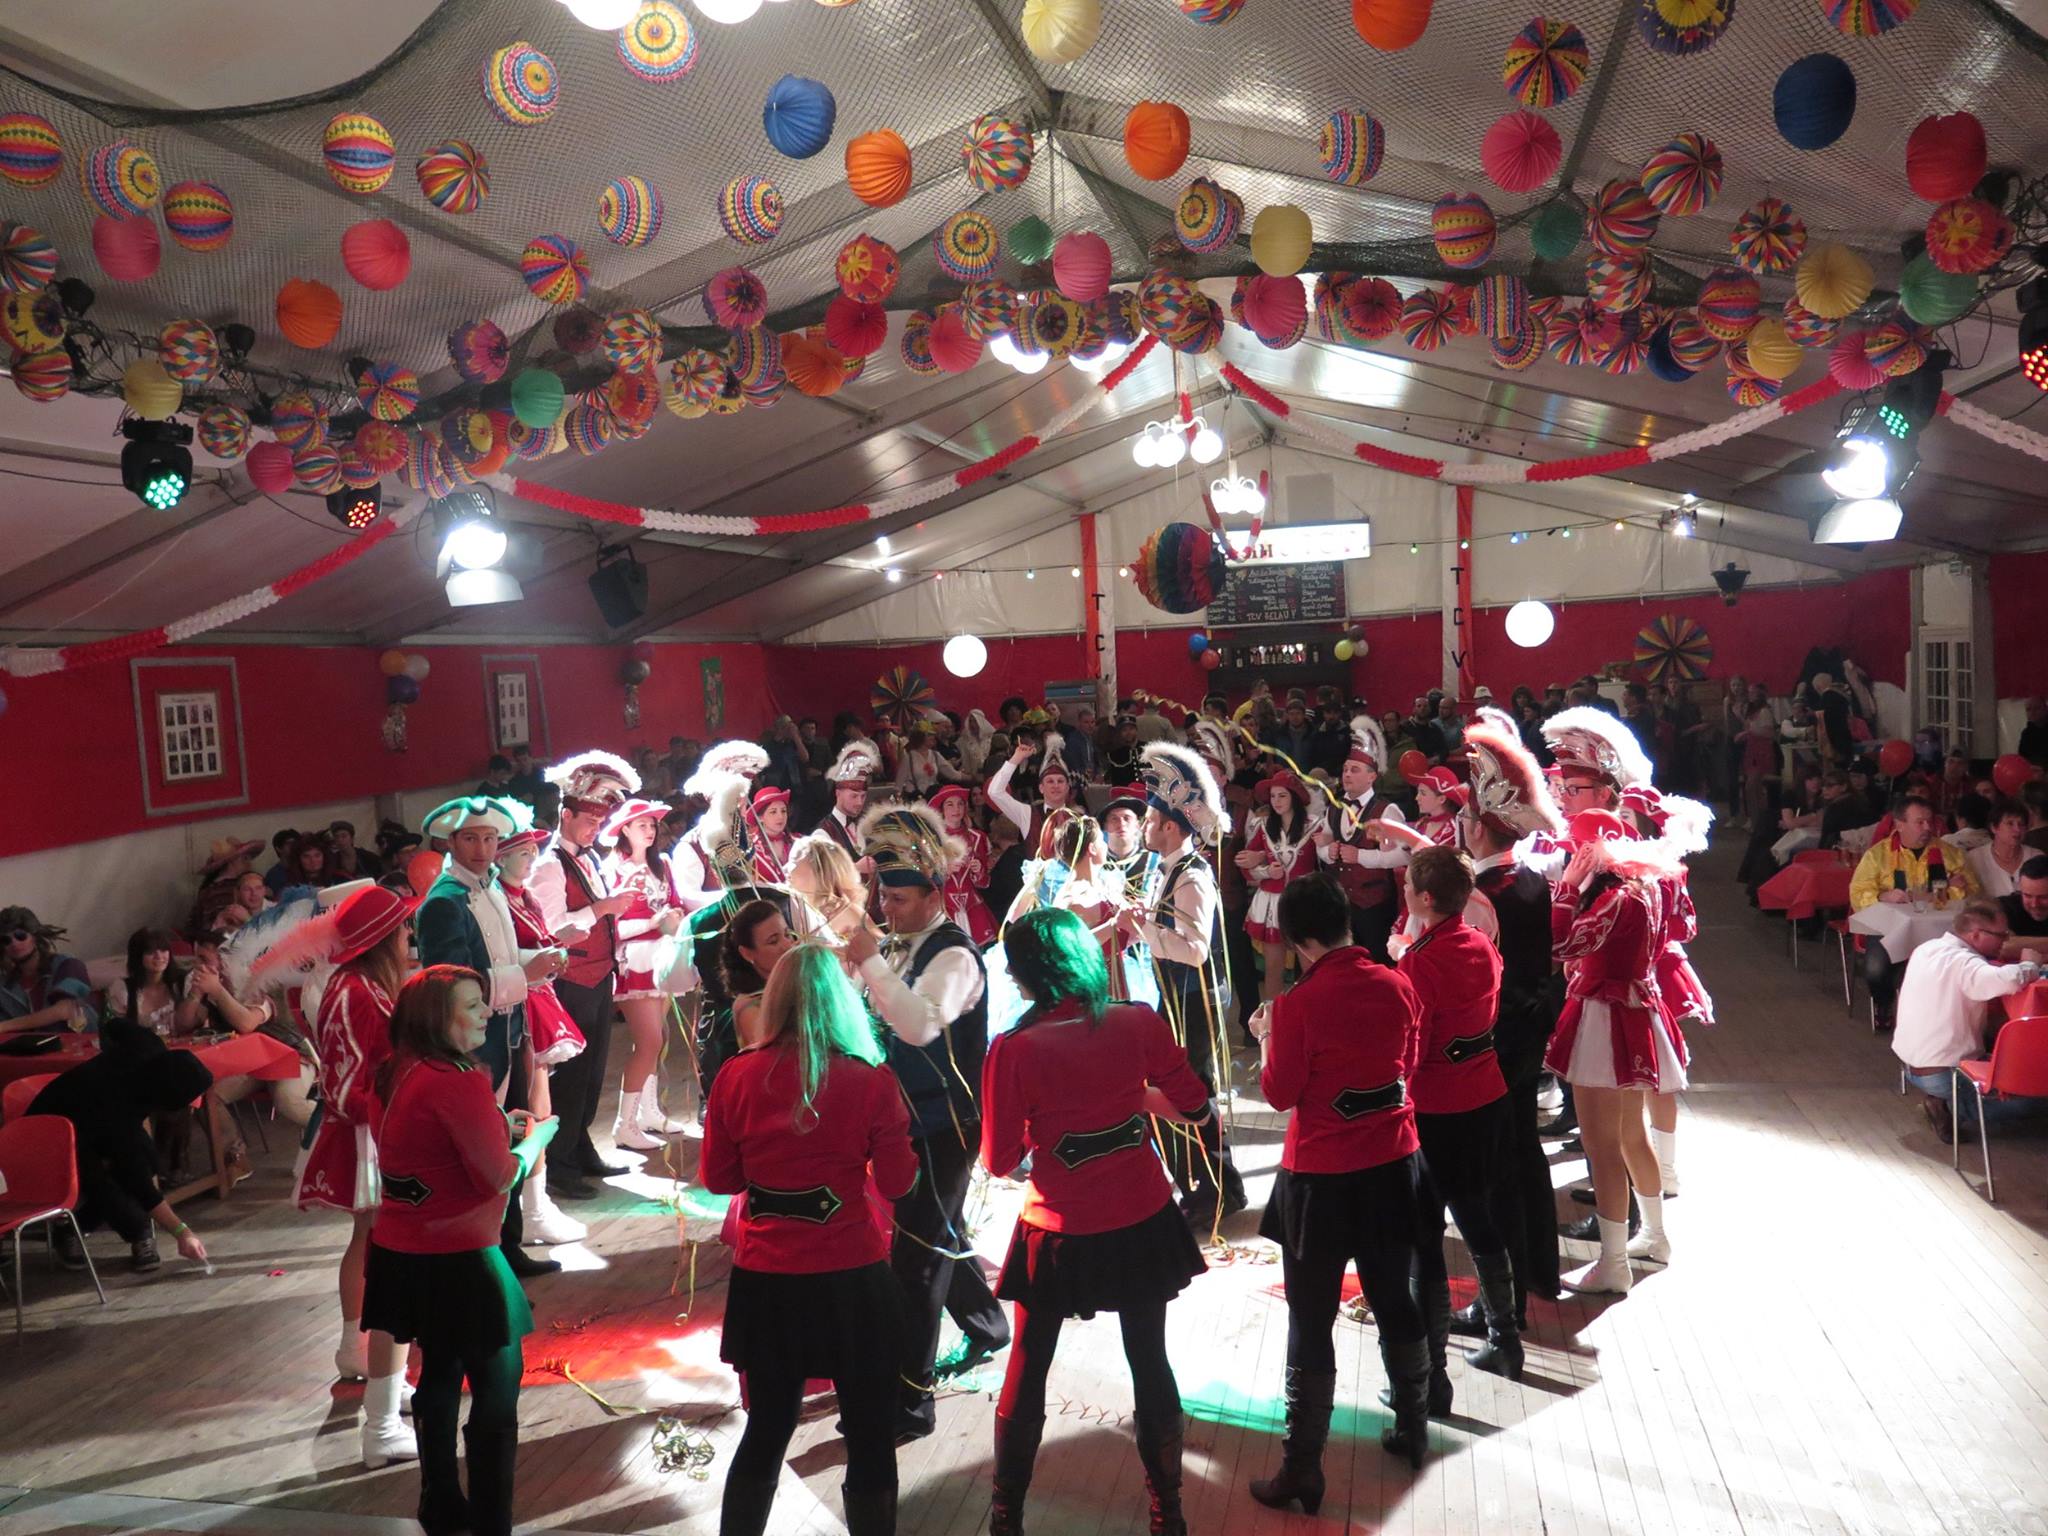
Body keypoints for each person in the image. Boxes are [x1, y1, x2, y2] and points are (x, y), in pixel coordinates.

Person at [980, 908, 1213, 1536]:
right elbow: (1195, 1105)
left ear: (1030, 973)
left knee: (1030, 1361)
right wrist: (1128, 1097)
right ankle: (1168, 1514)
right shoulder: (1137, 1021)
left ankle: (1005, 1518)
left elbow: (999, 1160)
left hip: (1059, 1226)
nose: (1009, 973)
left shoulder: (1014, 1049)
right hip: (1140, 1215)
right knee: (1149, 1357)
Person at [701, 942, 912, 1535]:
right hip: (851, 1275)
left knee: (768, 1426)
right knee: (870, 1431)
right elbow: (897, 1182)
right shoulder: (870, 1078)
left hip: (768, 1277)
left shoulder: (737, 1074)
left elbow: (720, 1179)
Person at [1249, 873, 1432, 1496]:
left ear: (1300, 941)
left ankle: (1303, 1467)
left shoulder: (1296, 1006)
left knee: (1311, 1317)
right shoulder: (1398, 984)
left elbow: (1279, 1094)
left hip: (1321, 1178)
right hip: (1392, 1164)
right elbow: (1409, 1066)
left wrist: (1267, 1035)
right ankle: (1414, 1427)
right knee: (1394, 1297)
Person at [363, 966, 557, 1536]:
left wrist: (496, 1124)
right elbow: (498, 1177)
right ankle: (492, 1522)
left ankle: (440, 1504)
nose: (486, 1013)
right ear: (436, 1017)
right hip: (461, 1256)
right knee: (497, 1391)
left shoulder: (394, 1073)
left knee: (439, 1374)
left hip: (402, 1251)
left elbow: (426, 1149)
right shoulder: (457, 1080)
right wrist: (537, 1140)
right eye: (472, 1006)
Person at [842, 803, 1011, 1441]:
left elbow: (918, 1027)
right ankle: (989, 1325)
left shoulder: (956, 956)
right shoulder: (896, 943)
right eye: (885, 897)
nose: (889, 909)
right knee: (936, 1231)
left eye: (902, 899)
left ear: (935, 895)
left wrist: (871, 963)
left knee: (915, 1260)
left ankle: (910, 1403)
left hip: (945, 1124)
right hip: (903, 1118)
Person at [267, 884, 418, 1465]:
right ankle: (365, 1356)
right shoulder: (354, 991)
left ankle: (361, 1350)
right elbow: (348, 1080)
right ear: (381, 939)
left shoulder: (356, 985)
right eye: (402, 929)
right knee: (381, 1245)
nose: (408, 937)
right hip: (367, 1131)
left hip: (371, 1125)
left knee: (373, 1240)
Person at [1448, 710, 1567, 1328]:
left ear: (1477, 828)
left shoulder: (1479, 898)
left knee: (1496, 1169)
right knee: (1526, 1154)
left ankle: (1505, 1300)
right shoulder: (1532, 882)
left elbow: (1466, 983)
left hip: (1495, 1041)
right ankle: (1541, 1271)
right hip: (1529, 1032)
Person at [417, 796, 565, 1282]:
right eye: (471, 839)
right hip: (474, 1041)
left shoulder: (490, 887)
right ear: (450, 842)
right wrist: (526, 974)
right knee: (483, 1147)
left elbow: (498, 954)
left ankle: (508, 1247)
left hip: (507, 1030)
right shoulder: (444, 902)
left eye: (489, 838)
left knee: (509, 1137)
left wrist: (536, 959)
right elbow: (450, 982)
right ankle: (487, 1257)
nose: (482, 849)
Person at [1398, 846, 1520, 1413]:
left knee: (1425, 1238)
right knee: (1477, 1216)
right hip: (1486, 1094)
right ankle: (1505, 1339)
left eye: (1408, 886)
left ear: (1426, 898)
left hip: (1438, 1105)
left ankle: (1432, 1380)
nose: (1404, 893)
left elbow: (1413, 1049)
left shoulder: (1419, 962)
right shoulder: (1480, 944)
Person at [1544, 812, 1686, 1295]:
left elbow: (1561, 943)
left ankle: (1613, 1263)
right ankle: (1655, 1236)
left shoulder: (1614, 897)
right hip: (1634, 1011)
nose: (1569, 857)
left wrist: (1567, 889)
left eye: (1575, 851)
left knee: (1602, 1145)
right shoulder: (1645, 887)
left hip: (1605, 1019)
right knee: (1631, 1135)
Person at [1120, 743, 1247, 1230]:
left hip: (1195, 1001)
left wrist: (1142, 927)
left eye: (1151, 820)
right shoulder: (1167, 868)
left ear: (1171, 827)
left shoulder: (1192, 876)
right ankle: (1208, 1187)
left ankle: (1217, 1190)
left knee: (1189, 1093)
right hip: (1177, 997)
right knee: (1178, 1091)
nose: (1145, 827)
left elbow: (1194, 951)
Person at [529, 751, 642, 1200]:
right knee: (571, 1077)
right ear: (566, 815)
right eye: (590, 821)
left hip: (598, 976)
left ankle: (580, 1146)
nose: (597, 828)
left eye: (600, 821)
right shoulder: (548, 865)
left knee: (593, 1074)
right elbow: (552, 928)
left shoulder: (589, 859)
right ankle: (560, 1163)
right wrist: (603, 908)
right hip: (570, 980)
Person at [31, 1019, 213, 1276]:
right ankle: (84, 1228)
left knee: (149, 1158)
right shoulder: (117, 1115)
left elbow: (115, 1025)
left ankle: (83, 1224)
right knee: (109, 1184)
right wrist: (182, 1232)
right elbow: (141, 1186)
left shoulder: (150, 1046)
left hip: (87, 1115)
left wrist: (107, 1058)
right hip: (49, 1132)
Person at [495, 824, 588, 1247]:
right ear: (501, 858)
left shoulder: (525, 897)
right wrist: (543, 954)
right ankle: (531, 1208)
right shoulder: (499, 899)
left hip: (537, 997)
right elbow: (504, 954)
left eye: (534, 851)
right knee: (532, 1106)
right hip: (521, 1001)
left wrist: (557, 945)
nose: (532, 858)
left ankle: (537, 1202)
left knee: (541, 1102)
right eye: (524, 852)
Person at [1892, 901, 2045, 1142]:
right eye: (2001, 935)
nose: (2005, 940)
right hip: (1945, 1072)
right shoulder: (1965, 963)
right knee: (2036, 1101)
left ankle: (1950, 1099)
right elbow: (2009, 979)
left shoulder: (1926, 948)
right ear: (1976, 935)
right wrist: (2030, 964)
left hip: (1912, 1066)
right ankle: (1953, 1108)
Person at [600, 796, 690, 1149]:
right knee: (649, 1041)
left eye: (652, 825)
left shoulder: (662, 863)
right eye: (642, 825)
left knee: (658, 1038)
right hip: (634, 962)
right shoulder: (612, 869)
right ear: (624, 829)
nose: (650, 830)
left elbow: (677, 904)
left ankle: (648, 1112)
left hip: (664, 958)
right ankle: (624, 1124)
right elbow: (611, 927)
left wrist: (674, 919)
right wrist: (653, 922)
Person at [1849, 795, 1975, 1028]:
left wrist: (1952, 890)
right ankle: (1884, 1003)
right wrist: (1881, 896)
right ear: (1899, 824)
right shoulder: (1878, 855)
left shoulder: (1949, 853)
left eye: (1930, 821)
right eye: (1920, 822)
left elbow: (1971, 892)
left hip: (1940, 929)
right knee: (1876, 969)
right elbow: (1857, 893)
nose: (1927, 828)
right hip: (1889, 926)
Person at [1312, 716, 1410, 962]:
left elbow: (1405, 854)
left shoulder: (1387, 810)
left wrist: (1361, 856)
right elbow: (1322, 844)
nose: (1347, 774)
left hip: (1375, 906)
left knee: (1377, 962)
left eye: (1354, 770)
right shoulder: (1333, 809)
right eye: (1345, 769)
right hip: (1341, 905)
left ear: (1371, 776)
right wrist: (1328, 852)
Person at [1239, 772, 1323, 1005]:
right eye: (1273, 796)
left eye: (1282, 795)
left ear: (1294, 797)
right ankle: (1273, 1020)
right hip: (1272, 903)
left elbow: (1324, 861)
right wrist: (1267, 871)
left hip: (1304, 901)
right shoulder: (1264, 826)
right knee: (1273, 969)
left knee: (1310, 967)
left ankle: (1311, 1015)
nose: (1276, 801)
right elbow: (1245, 866)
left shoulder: (1315, 825)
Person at [0, 905, 93, 1035]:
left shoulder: (67, 965)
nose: (14, 943)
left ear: (35, 936)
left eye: (20, 936)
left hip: (80, 1044)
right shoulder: (5, 985)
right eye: (6, 940)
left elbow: (63, 1010)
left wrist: (4, 1026)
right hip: (29, 1047)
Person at [106, 927, 206, 1038]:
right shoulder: (123, 989)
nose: (159, 956)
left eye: (163, 950)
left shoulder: (183, 982)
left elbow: (196, 1023)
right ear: (137, 956)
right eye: (150, 952)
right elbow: (115, 1032)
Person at [989, 736, 1080, 856]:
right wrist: (1016, 759)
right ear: (1041, 788)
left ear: (1068, 787)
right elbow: (994, 792)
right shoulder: (1028, 814)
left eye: (1060, 781)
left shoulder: (1079, 819)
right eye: (1050, 781)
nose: (1056, 785)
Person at [931, 784, 996, 944]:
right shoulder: (932, 840)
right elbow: (924, 881)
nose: (956, 809)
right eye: (950, 804)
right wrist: (944, 871)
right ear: (942, 809)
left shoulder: (977, 837)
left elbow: (984, 883)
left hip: (972, 906)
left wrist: (979, 870)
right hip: (943, 907)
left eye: (960, 804)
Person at [815, 741, 881, 866]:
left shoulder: (864, 826)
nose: (859, 802)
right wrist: (856, 868)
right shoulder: (823, 833)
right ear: (838, 793)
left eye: (863, 796)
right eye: (854, 796)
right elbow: (821, 874)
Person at [1968, 799, 2030, 899]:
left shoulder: (2036, 857)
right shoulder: (1974, 858)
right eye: (2010, 823)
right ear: (1994, 827)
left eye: (2021, 824)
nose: (2017, 829)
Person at [748, 785, 794, 884]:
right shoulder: (751, 850)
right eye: (773, 812)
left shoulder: (798, 842)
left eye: (783, 811)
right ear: (760, 817)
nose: (780, 816)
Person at [1410, 767, 1464, 846]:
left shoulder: (1455, 830)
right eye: (1418, 792)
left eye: (1423, 793)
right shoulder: (1421, 823)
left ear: (1441, 799)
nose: (1417, 798)